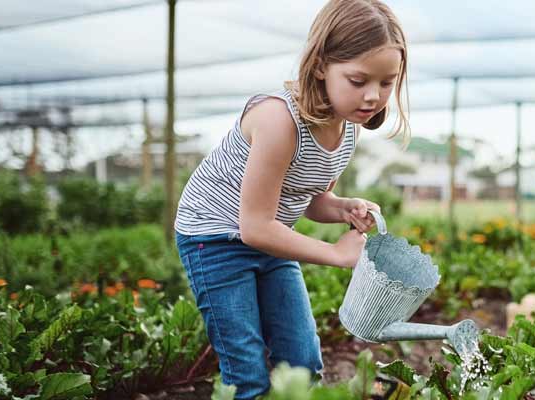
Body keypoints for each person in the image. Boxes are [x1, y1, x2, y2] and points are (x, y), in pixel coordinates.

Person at [173, 0, 410, 397]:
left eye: (387, 83)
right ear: (320, 66)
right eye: (358, 80)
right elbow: (254, 226)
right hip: (213, 240)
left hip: (270, 237)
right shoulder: (278, 120)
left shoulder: (348, 128)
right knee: (247, 372)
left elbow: (310, 199)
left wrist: (343, 207)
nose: (373, 96)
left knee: (302, 360)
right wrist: (335, 253)